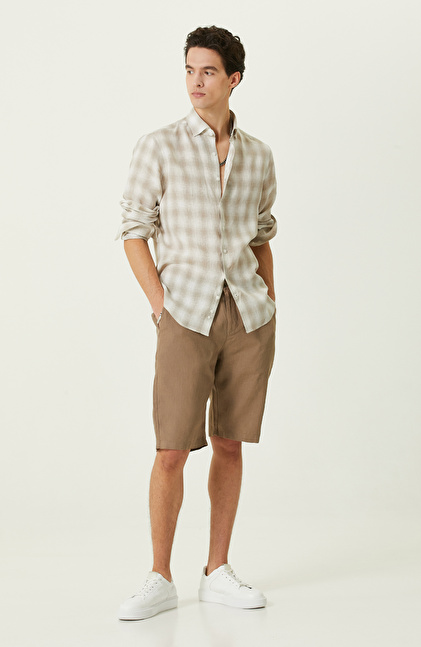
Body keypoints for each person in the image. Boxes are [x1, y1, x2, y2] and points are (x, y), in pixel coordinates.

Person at [115, 25, 277, 621]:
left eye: (208, 72)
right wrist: (160, 305)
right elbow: (134, 231)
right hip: (184, 310)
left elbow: (262, 234)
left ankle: (217, 569)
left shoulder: (258, 155)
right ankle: (160, 576)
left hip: (248, 315)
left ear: (234, 79)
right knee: (171, 449)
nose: (195, 82)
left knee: (230, 442)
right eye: (189, 70)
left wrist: (270, 298)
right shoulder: (159, 145)